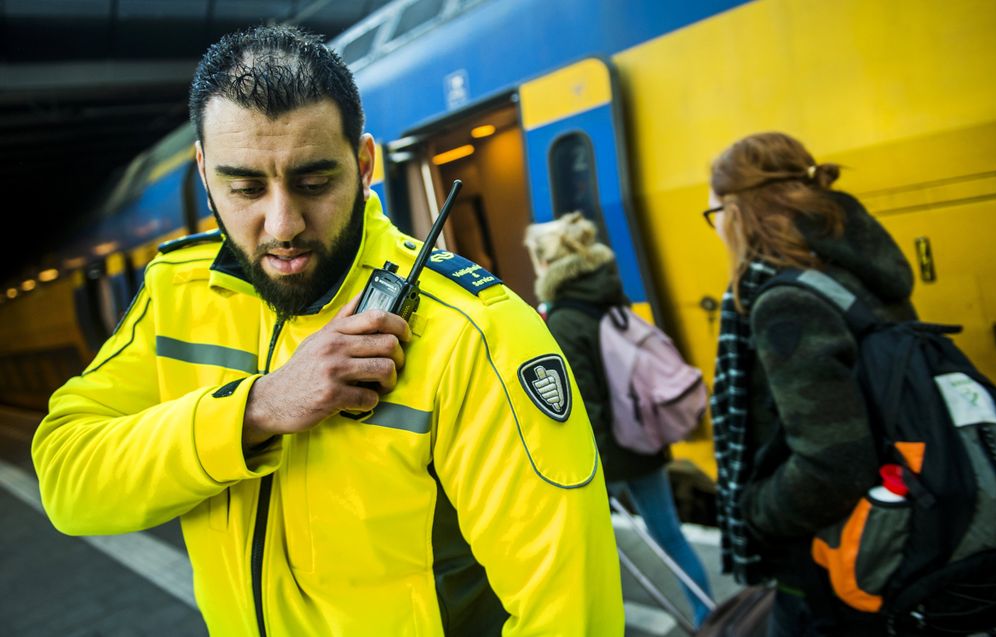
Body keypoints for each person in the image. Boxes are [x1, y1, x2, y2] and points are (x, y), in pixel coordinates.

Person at [32, 25, 624, 636]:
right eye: (245, 188)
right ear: (206, 173)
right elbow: (68, 481)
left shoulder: (477, 334)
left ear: (364, 163)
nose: (283, 224)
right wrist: (258, 410)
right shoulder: (176, 290)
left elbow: (573, 614)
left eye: (314, 183)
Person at [706, 132, 916, 636]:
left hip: (831, 562)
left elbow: (832, 465)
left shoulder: (786, 303)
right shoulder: (856, 274)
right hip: (894, 532)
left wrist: (755, 507)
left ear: (737, 213)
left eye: (714, 215)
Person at [524, 212, 714, 627]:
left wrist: (589, 467)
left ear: (545, 263)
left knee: (597, 549)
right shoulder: (607, 297)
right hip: (644, 436)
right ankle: (707, 617)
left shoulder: (562, 319)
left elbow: (583, 402)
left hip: (608, 452)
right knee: (670, 537)